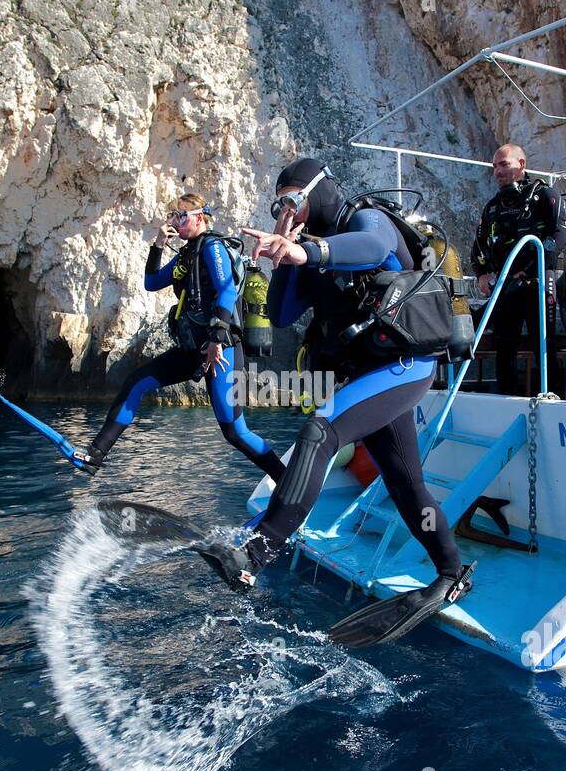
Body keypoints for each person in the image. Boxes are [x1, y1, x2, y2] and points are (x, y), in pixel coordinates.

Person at [193, 158, 468, 641]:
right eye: (279, 203)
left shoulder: (362, 218)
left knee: (320, 430)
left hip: (404, 366)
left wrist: (308, 252)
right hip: (366, 373)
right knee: (406, 485)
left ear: (319, 190)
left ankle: (256, 554)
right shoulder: (307, 250)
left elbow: (373, 246)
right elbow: (280, 313)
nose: (287, 209)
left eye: (293, 199)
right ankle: (452, 573)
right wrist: (282, 256)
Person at [78, 193, 286, 482]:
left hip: (222, 350)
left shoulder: (211, 246)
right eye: (173, 215)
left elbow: (226, 290)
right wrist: (158, 244)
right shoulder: (187, 254)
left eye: (182, 215)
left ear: (199, 217)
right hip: (193, 350)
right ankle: (94, 455)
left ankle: (287, 481)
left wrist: (215, 340)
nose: (176, 220)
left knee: (235, 431)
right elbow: (151, 283)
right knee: (136, 383)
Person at [471, 144, 566, 395]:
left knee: (544, 345)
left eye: (504, 164)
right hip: (505, 289)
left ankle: (552, 397)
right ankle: (506, 399)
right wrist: (482, 273)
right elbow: (478, 248)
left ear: (521, 164)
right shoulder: (493, 207)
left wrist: (527, 270)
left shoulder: (545, 196)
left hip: (537, 284)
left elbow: (559, 239)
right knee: (505, 348)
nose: (498, 171)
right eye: (494, 166)